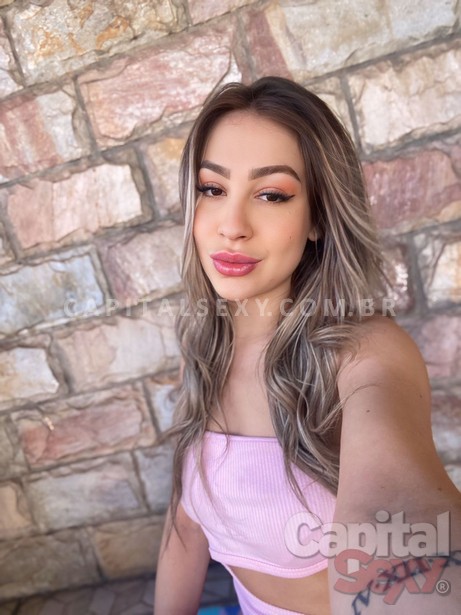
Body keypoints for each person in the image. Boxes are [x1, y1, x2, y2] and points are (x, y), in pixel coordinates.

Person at [154, 76, 461, 615]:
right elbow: (185, 522)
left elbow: (400, 520)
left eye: (271, 194)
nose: (232, 226)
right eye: (212, 189)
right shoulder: (202, 347)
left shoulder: (364, 354)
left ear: (318, 217)